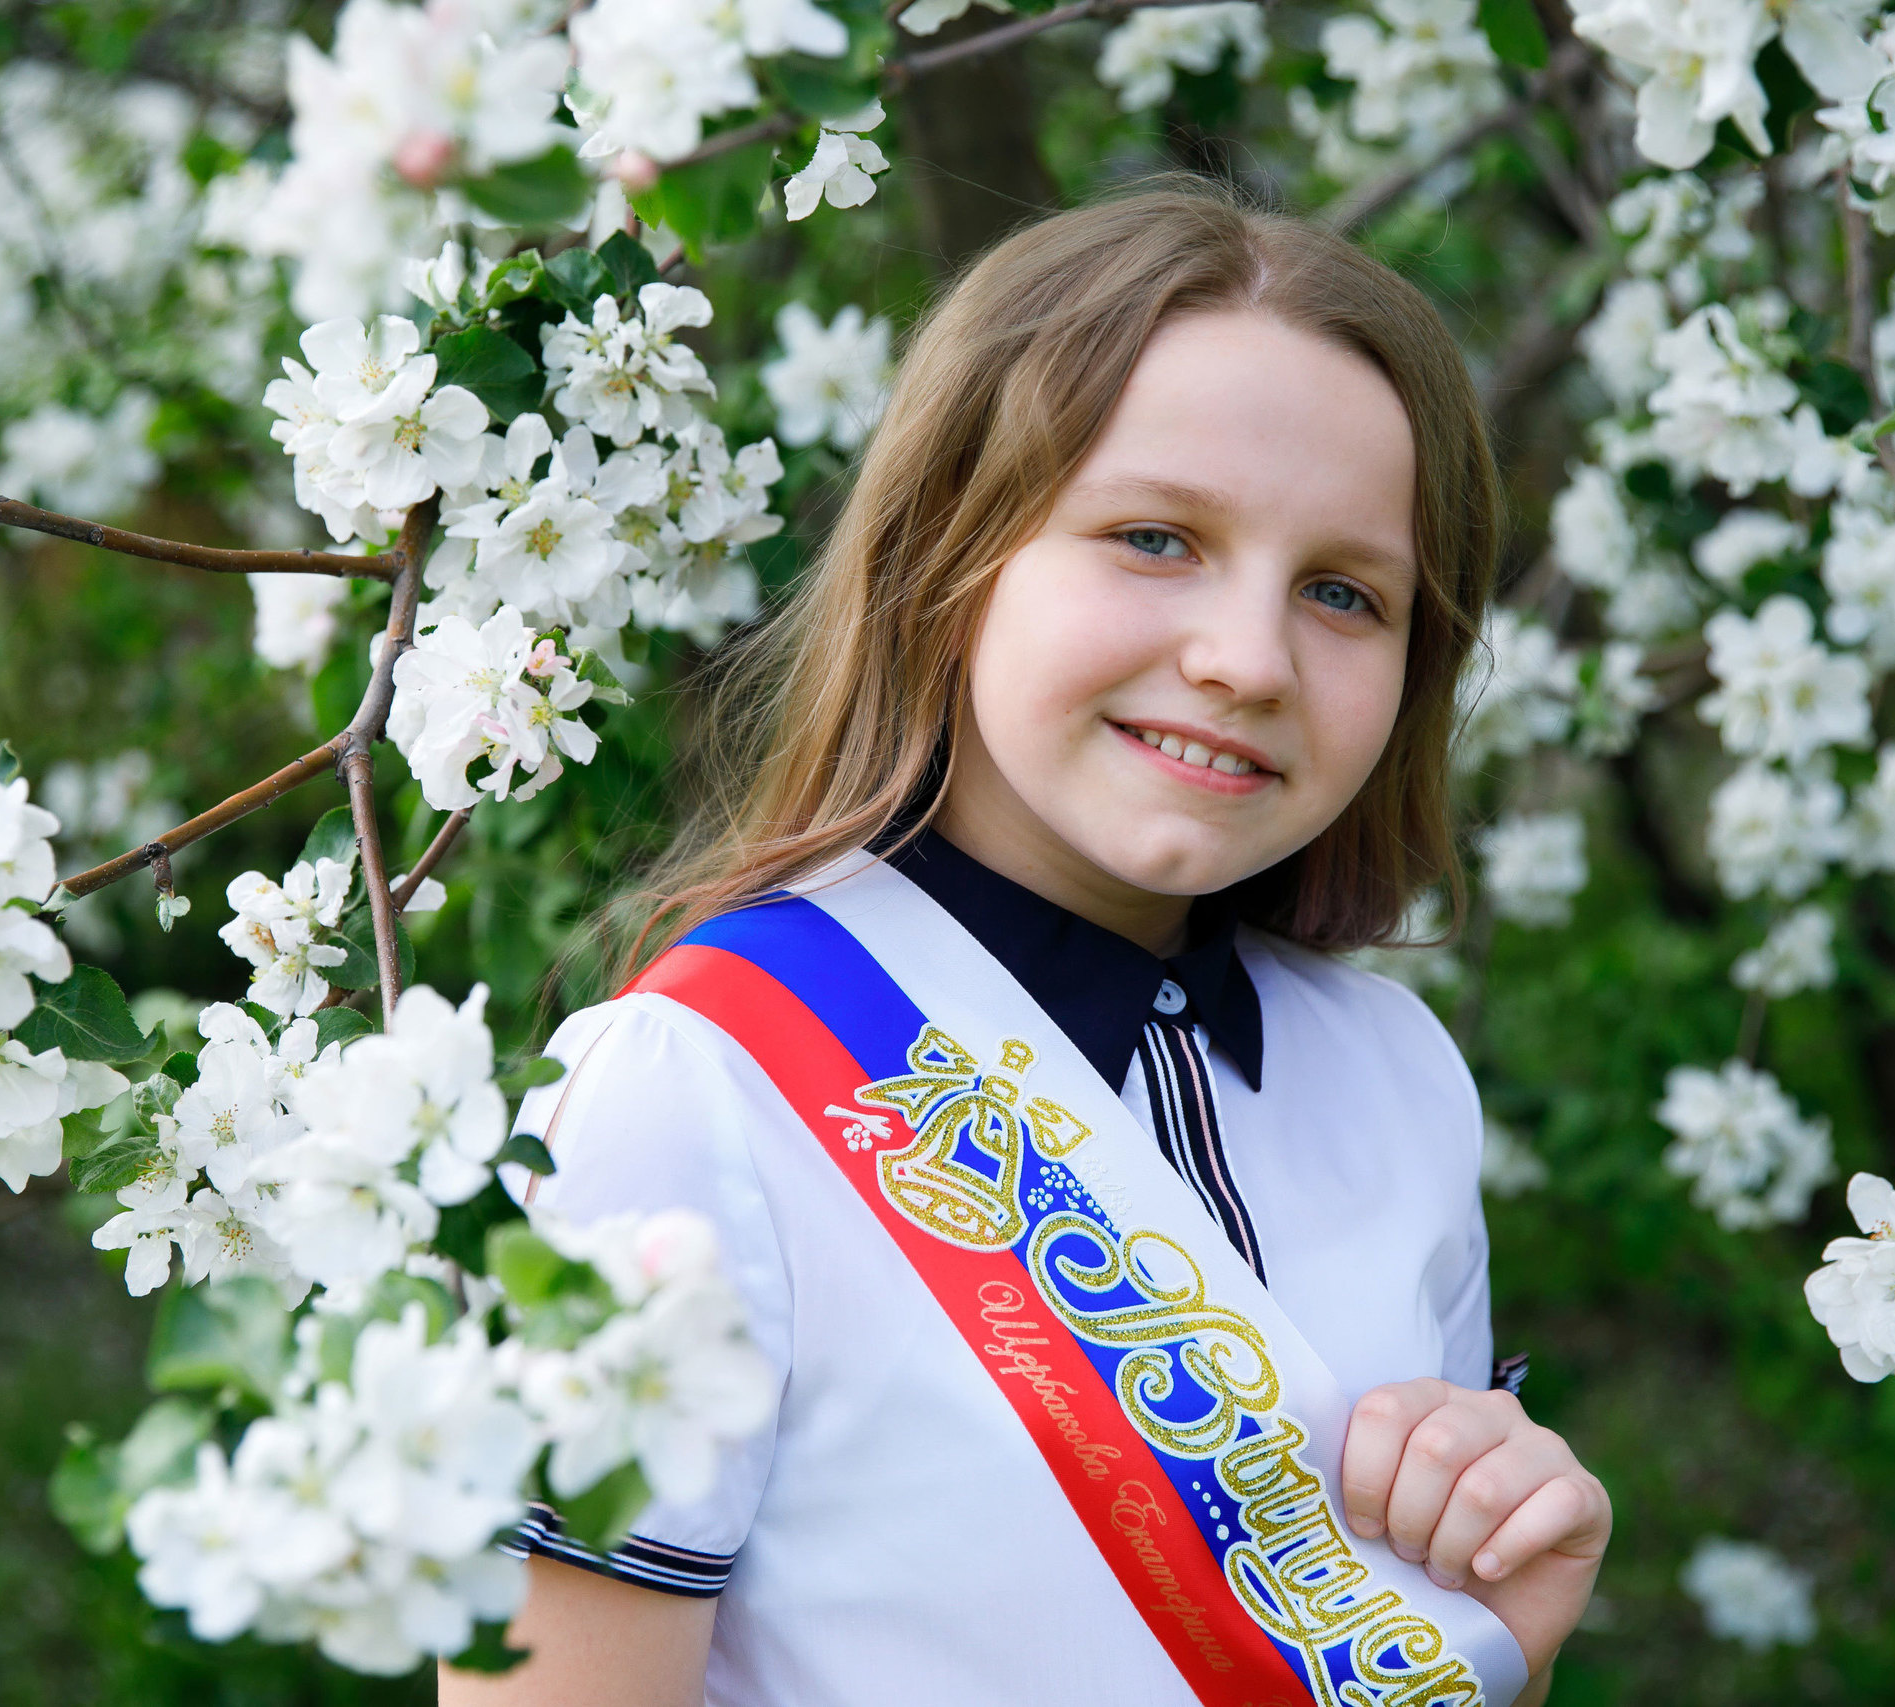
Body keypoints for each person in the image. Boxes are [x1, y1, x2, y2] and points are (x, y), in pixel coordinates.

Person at [441, 182, 1610, 1707]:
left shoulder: (1399, 1079)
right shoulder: (697, 1091)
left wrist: (1516, 1630)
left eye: (1344, 593)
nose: (1248, 659)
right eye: (1154, 537)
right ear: (949, 553)